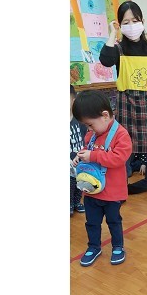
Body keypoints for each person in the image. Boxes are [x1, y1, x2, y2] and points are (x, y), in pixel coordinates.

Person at [99, 0, 147, 207]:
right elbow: (105, 60)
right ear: (120, 24)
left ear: (142, 21)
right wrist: (112, 34)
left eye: (135, 20)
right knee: (123, 153)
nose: (131, 25)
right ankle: (120, 190)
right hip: (126, 105)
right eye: (126, 22)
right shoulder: (118, 49)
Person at [71, 90, 132, 267]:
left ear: (105, 115)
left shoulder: (121, 134)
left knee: (114, 221)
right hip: (91, 191)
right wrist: (80, 156)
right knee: (92, 222)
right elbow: (88, 150)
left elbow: (118, 158)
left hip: (112, 192)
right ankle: (94, 247)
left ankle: (118, 247)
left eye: (90, 125)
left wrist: (93, 156)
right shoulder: (92, 134)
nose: (88, 129)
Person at [70, 85, 87, 217]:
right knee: (69, 184)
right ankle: (69, 203)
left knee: (79, 181)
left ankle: (77, 202)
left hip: (79, 158)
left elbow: (85, 137)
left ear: (73, 100)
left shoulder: (79, 120)